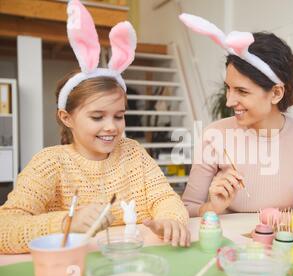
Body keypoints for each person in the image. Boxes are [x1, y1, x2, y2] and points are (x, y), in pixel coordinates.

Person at [0, 0, 189, 254]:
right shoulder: (50, 163)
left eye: (119, 116)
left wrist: (171, 219)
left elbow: (165, 197)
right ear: (67, 118)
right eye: (97, 117)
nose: (111, 127)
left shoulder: (133, 152)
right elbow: (5, 229)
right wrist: (68, 222)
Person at [179, 13, 293, 217]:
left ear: (276, 93)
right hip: (232, 244)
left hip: (285, 241)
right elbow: (187, 207)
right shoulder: (214, 135)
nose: (229, 101)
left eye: (242, 91)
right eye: (228, 88)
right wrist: (212, 207)